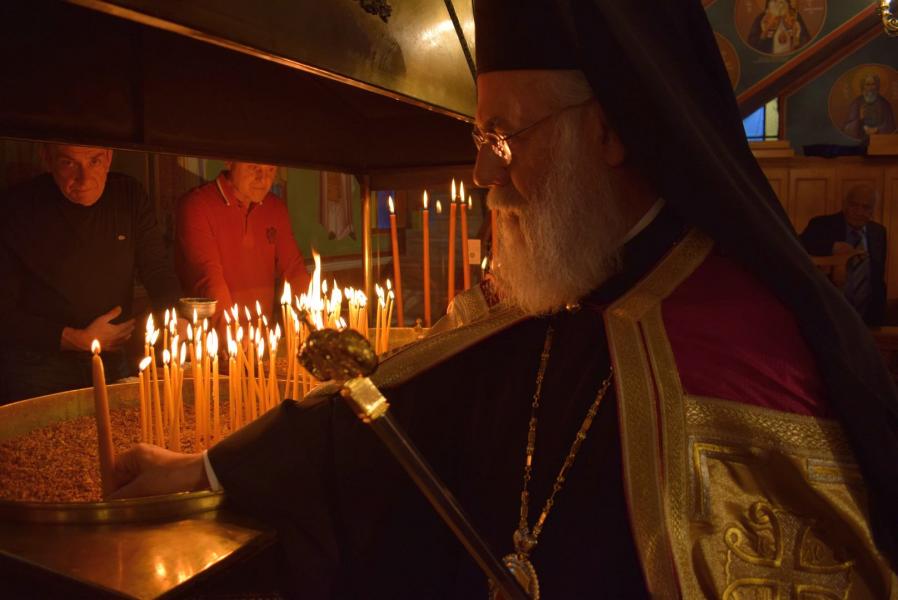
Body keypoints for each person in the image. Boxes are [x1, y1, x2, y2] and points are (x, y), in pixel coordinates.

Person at [112, 2, 898, 598]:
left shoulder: (747, 349)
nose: (483, 175)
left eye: (503, 137)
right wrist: (209, 469)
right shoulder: (562, 283)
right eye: (478, 140)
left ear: (611, 132)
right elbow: (391, 420)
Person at [0, 144, 182, 403]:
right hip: (39, 366)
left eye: (94, 161)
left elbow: (157, 269)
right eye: (68, 163)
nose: (84, 179)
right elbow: (4, 312)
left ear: (108, 157)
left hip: (112, 357)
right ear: (47, 158)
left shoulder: (127, 195)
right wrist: (75, 339)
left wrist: (176, 317)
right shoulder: (17, 207)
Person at [175, 162, 310, 327]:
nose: (263, 179)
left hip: (263, 334)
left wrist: (311, 319)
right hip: (214, 335)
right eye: (254, 168)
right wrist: (233, 333)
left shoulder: (275, 208)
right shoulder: (198, 205)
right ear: (229, 162)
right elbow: (209, 280)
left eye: (271, 169)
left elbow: (294, 270)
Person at [800, 184, 887, 325]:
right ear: (845, 204)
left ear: (873, 210)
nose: (859, 212)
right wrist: (831, 247)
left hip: (868, 318)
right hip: (829, 314)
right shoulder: (822, 225)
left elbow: (877, 277)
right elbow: (800, 245)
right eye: (854, 205)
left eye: (866, 207)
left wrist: (879, 319)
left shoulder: (878, 232)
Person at [843, 73, 896, 140]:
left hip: (880, 139)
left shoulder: (885, 104)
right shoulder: (856, 103)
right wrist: (859, 118)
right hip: (860, 140)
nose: (870, 88)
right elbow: (847, 128)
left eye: (873, 84)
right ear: (863, 86)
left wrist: (876, 129)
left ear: (877, 86)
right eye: (867, 84)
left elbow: (890, 126)